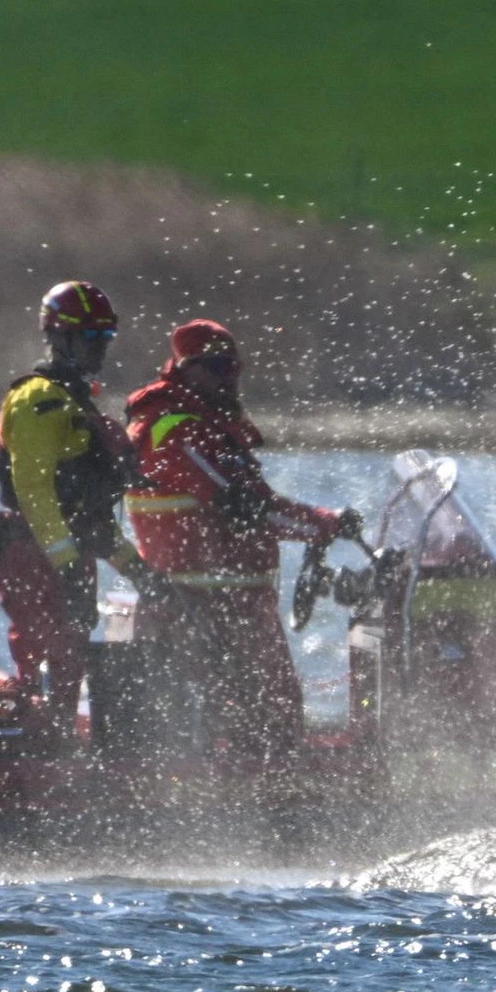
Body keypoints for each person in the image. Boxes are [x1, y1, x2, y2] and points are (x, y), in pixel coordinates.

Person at [122, 318, 356, 763]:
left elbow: (255, 503)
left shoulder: (209, 427)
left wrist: (320, 525)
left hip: (235, 601)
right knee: (251, 718)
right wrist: (327, 523)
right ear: (185, 368)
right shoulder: (173, 428)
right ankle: (259, 808)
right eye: (213, 366)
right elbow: (244, 507)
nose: (226, 376)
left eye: (232, 366)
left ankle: (270, 800)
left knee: (272, 717)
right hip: (200, 604)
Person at [0, 280, 144, 722]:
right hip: (33, 558)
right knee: (45, 665)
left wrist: (137, 569)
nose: (100, 348)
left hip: (64, 556)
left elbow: (86, 515)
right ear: (57, 336)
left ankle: (65, 755)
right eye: (90, 337)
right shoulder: (38, 400)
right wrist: (67, 564)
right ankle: (37, 762)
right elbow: (35, 494)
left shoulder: (77, 403)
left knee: (69, 667)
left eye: (105, 338)